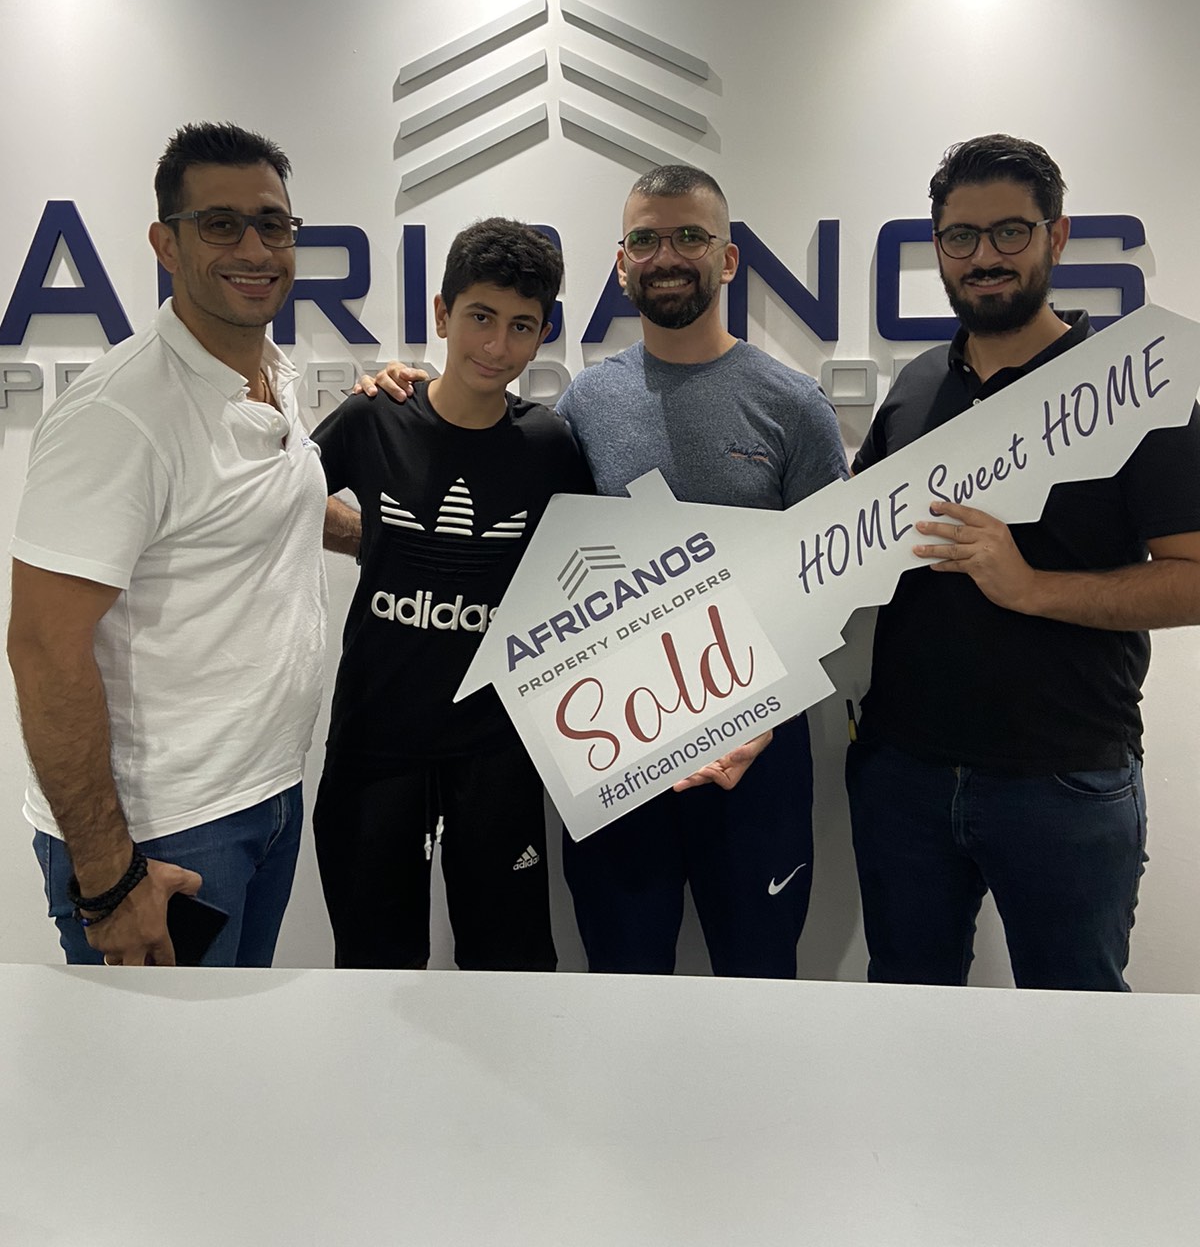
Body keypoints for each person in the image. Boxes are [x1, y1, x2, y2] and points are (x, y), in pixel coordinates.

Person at [847, 133, 1200, 990]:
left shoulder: (1130, 388)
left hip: (1065, 779)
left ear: (1056, 236)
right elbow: (850, 556)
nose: (985, 257)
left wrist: (1031, 587)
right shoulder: (917, 385)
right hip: (904, 775)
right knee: (905, 1016)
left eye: (1010, 231)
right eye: (961, 237)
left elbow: (1193, 579)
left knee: (1075, 1026)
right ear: (938, 248)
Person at [8, 122, 326, 967]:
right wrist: (109, 879)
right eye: (221, 224)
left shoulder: (268, 373)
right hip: (164, 836)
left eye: (273, 224)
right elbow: (42, 648)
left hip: (266, 796)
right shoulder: (119, 415)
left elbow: (252, 510)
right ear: (166, 244)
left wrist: (409, 536)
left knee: (228, 1047)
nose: (254, 248)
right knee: (157, 1056)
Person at [554, 164, 848, 978]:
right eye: (645, 240)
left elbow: (835, 580)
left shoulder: (792, 404)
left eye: (690, 236)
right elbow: (551, 573)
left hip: (758, 747)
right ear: (622, 263)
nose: (667, 256)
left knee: (759, 985)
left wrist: (766, 712)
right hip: (614, 745)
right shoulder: (583, 407)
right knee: (621, 981)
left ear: (727, 258)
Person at [313, 219, 593, 970]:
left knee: (511, 969)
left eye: (521, 326)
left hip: (496, 748)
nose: (496, 345)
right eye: (480, 317)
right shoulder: (373, 416)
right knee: (373, 969)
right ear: (442, 314)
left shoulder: (550, 446)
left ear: (543, 335)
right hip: (376, 743)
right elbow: (278, 501)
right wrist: (371, 538)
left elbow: (595, 577)